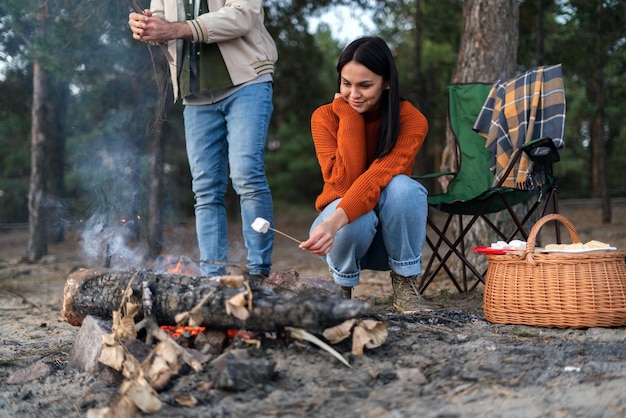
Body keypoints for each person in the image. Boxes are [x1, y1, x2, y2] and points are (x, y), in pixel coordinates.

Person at [128, 1, 277, 278]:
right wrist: (146, 28)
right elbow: (161, 25)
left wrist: (176, 28)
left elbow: (242, 17)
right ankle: (213, 277)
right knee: (206, 189)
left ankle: (259, 272)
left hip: (247, 82)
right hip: (195, 93)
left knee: (246, 175)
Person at [299, 36, 430, 312]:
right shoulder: (324, 117)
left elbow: (375, 177)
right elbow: (346, 184)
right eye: (346, 84)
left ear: (387, 82)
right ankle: (340, 286)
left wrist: (333, 222)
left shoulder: (411, 120)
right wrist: (349, 119)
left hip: (390, 237)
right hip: (346, 233)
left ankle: (405, 283)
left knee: (403, 188)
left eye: (365, 85)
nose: (353, 94)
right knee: (356, 216)